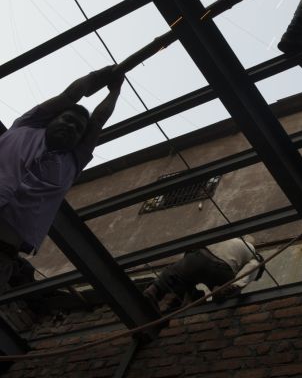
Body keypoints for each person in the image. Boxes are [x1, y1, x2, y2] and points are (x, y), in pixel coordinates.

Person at [0, 64, 124, 294]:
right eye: (66, 119)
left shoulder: (72, 162)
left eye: (78, 128)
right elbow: (68, 96)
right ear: (51, 119)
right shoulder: (28, 125)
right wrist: (96, 76)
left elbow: (98, 121)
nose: (71, 126)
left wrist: (115, 92)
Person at [143, 236, 262, 311]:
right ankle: (220, 292)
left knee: (173, 272)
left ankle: (153, 290)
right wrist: (236, 285)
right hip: (222, 270)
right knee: (227, 289)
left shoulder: (225, 235)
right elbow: (251, 268)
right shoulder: (253, 251)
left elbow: (193, 248)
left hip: (199, 257)